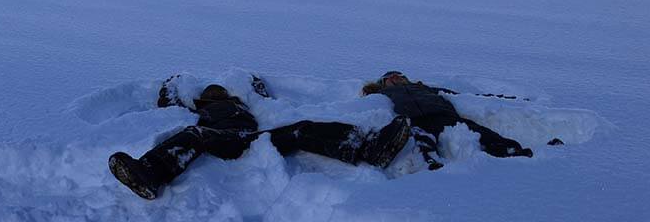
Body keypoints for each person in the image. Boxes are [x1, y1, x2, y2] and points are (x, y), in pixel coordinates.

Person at [108, 75, 412, 200]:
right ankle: (151, 173)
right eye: (213, 93)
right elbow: (169, 107)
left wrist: (255, 83)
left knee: (301, 128)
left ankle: (369, 148)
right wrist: (170, 86)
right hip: (221, 139)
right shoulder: (200, 110)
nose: (217, 93)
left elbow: (264, 99)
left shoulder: (241, 103)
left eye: (220, 91)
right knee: (193, 133)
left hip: (256, 139)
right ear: (204, 98)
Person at [362, 71, 532, 170]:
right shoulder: (380, 96)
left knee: (477, 132)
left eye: (400, 75)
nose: (397, 77)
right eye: (391, 77)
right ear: (383, 83)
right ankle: (429, 164)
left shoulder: (424, 88)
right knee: (420, 140)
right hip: (413, 120)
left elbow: (467, 97)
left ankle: (510, 150)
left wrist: (508, 99)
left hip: (442, 115)